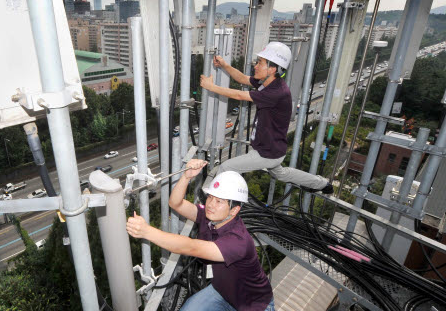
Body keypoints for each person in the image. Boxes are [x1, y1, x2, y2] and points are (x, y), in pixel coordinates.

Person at [126, 159, 275, 311]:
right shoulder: (209, 216)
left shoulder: (238, 241)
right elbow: (176, 204)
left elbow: (191, 247)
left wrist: (147, 231)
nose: (210, 204)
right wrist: (186, 177)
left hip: (253, 306)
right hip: (222, 292)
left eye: (219, 201)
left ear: (234, 210)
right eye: (210, 197)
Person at [199, 41, 332, 193]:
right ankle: (321, 184)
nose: (255, 66)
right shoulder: (268, 83)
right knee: (281, 174)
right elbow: (243, 79)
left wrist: (211, 87)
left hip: (267, 152)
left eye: (260, 62)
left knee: (225, 167)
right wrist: (224, 65)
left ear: (272, 68)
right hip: (273, 149)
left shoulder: (277, 92)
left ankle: (213, 199)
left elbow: (239, 95)